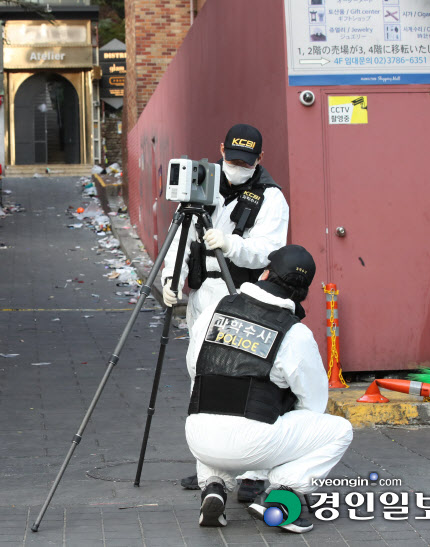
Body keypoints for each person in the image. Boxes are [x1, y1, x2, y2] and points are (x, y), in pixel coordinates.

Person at [185, 245, 353, 533]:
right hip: (252, 444)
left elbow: (194, 367)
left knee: (211, 397)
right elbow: (313, 404)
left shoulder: (217, 307)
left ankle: (213, 486)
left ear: (265, 273)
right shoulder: (295, 333)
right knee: (339, 430)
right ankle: (282, 494)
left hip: (198, 438)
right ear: (302, 294)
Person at [162, 123, 289, 502]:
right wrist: (172, 278)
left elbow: (269, 250)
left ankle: (252, 472)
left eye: (245, 162)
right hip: (205, 292)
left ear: (259, 160)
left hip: (245, 293)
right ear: (220, 149)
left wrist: (232, 244)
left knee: (245, 377)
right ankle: (211, 468)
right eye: (232, 159)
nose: (237, 166)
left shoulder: (270, 197)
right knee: (201, 376)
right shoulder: (201, 185)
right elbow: (181, 239)